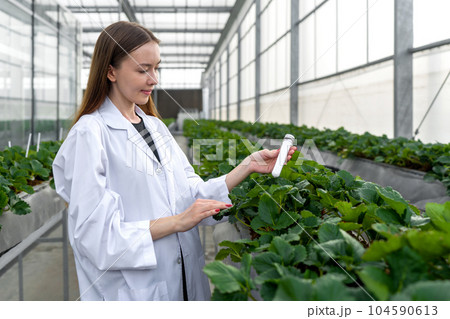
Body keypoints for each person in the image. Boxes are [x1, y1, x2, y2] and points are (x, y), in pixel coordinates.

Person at [52, 21, 296, 301]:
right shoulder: (89, 134)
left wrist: (248, 165)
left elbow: (189, 193)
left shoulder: (155, 127)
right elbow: (96, 238)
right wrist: (177, 222)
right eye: (142, 69)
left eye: (156, 68)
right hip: (132, 292)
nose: (153, 79)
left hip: (182, 282)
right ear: (111, 72)